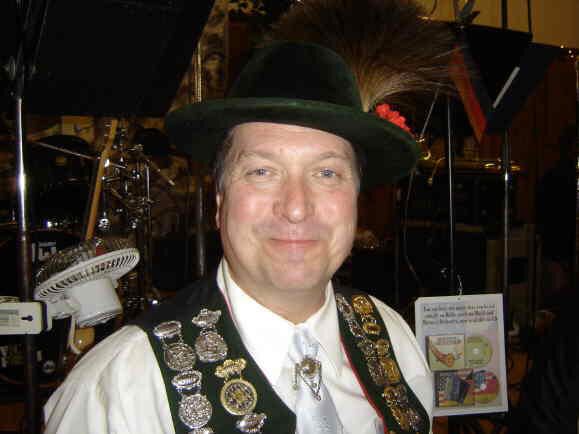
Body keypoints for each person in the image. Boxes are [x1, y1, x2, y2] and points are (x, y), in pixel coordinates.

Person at [44, 1, 452, 433]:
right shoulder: (120, 389)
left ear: (355, 199)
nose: (296, 207)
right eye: (262, 172)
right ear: (219, 200)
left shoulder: (393, 340)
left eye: (327, 173)